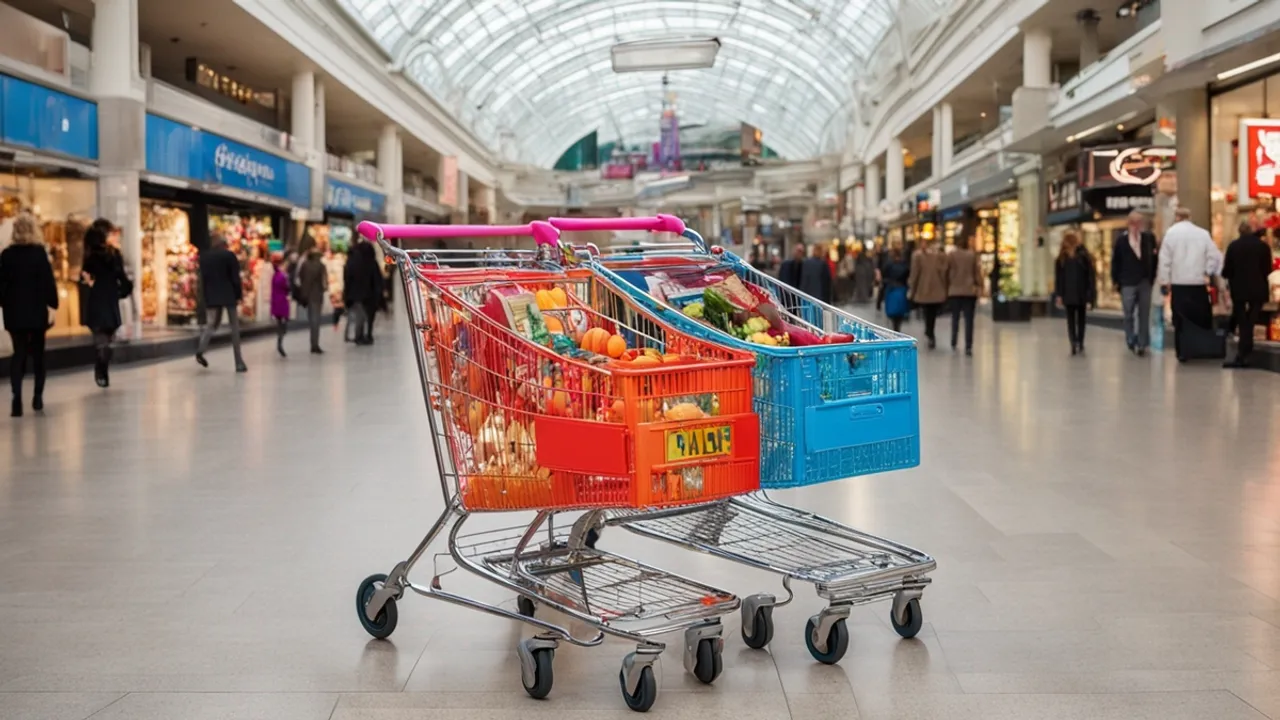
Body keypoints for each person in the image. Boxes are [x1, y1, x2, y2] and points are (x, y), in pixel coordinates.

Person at [0, 212, 57, 416]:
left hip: (14, 312)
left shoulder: (6, 255)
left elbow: (2, 285)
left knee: (19, 354)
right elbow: (47, 282)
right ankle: (38, 397)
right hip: (36, 311)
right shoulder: (39, 253)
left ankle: (16, 398)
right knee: (39, 355)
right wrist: (53, 303)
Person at [1158, 207, 1223, 362]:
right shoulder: (1202, 234)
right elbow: (1215, 256)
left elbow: (1164, 260)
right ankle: (1199, 348)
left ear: (1177, 217)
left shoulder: (1171, 234)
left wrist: (1164, 281)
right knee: (1200, 316)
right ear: (1189, 217)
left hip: (1179, 283)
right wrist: (1207, 271)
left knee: (1180, 320)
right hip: (1198, 283)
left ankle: (1182, 351)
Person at [80, 222, 133, 388]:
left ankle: (101, 367)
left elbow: (85, 277)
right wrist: (122, 291)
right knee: (107, 336)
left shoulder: (90, 256)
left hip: (97, 298)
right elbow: (122, 279)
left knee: (101, 336)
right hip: (110, 298)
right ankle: (102, 368)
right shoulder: (114, 255)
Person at [1221, 219, 1273, 368]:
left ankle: (1243, 353)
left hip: (1239, 290)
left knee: (1242, 319)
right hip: (1258, 289)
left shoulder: (1233, 246)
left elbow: (1227, 270)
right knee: (1251, 318)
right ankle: (1245, 352)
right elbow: (1267, 269)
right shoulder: (1263, 247)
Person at [195, 236, 247, 373]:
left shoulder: (204, 258)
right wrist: (238, 295)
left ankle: (200, 350)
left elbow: (202, 281)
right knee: (234, 329)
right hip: (229, 295)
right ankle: (239, 362)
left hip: (212, 296)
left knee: (211, 325)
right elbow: (235, 278)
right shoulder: (229, 256)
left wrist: (204, 298)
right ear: (224, 244)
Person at [1110, 210, 1159, 356]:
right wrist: (1116, 281)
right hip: (1127, 281)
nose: (1137, 226)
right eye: (1134, 223)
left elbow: (1154, 259)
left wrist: (1152, 277)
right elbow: (1116, 262)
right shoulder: (1121, 240)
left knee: (1144, 313)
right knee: (1128, 312)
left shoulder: (1149, 238)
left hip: (1144, 281)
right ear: (1129, 224)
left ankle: (1142, 343)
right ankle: (1130, 338)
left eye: (1139, 222)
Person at [1054, 231, 1097, 356]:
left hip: (1079, 292)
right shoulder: (1062, 259)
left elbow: (1089, 276)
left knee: (1078, 318)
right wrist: (1059, 294)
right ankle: (1075, 341)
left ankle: (1078, 341)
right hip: (1071, 293)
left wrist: (1059, 294)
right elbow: (1059, 278)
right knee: (1073, 318)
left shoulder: (1083, 256)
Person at [946, 233, 983, 355]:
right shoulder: (971, 255)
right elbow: (977, 272)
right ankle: (968, 345)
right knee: (969, 319)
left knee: (955, 317)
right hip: (969, 291)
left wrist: (947, 285)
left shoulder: (951, 255)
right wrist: (980, 285)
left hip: (955, 291)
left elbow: (946, 271)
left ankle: (953, 341)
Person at [907, 241, 948, 349]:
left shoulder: (917, 256)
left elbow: (915, 273)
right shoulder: (940, 256)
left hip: (923, 288)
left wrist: (912, 288)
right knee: (932, 312)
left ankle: (929, 331)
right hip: (937, 288)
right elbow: (944, 272)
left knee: (927, 311)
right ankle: (930, 332)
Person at [343, 241, 384, 345]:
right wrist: (380, 295)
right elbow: (377, 280)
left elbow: (347, 279)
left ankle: (358, 335)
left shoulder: (351, 262)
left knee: (358, 316)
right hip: (370, 295)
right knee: (369, 316)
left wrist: (346, 295)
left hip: (355, 295)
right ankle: (367, 335)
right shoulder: (372, 262)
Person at [297, 249, 329, 354]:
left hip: (307, 294)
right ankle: (315, 344)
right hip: (317, 295)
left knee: (312, 319)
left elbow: (300, 277)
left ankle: (313, 343)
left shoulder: (305, 265)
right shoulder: (321, 266)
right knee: (316, 320)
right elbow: (325, 281)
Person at [881, 247, 911, 332]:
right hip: (901, 289)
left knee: (892, 312)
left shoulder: (888, 265)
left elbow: (884, 275)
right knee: (900, 311)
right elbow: (907, 276)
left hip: (891, 289)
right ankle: (897, 327)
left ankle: (895, 327)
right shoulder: (904, 265)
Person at [270, 253, 291, 358]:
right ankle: (280, 343)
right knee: (284, 325)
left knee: (280, 324)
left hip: (276, 303)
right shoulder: (282, 276)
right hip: (282, 303)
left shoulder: (275, 276)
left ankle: (279, 342)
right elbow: (287, 287)